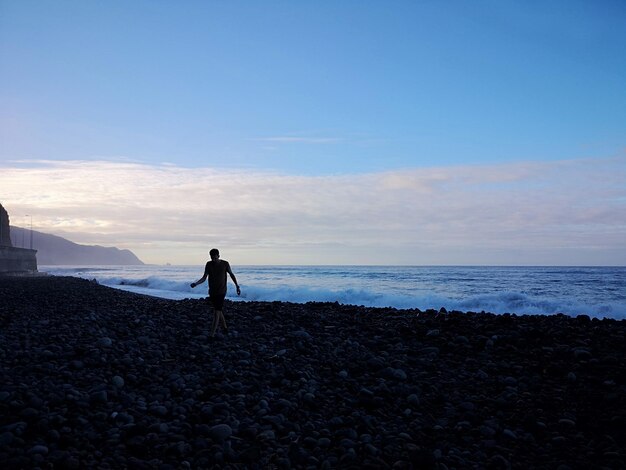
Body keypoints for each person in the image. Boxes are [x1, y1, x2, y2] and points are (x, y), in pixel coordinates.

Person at [190, 248, 241, 337]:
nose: (213, 260)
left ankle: (212, 334)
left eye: (215, 258)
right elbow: (204, 277)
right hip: (212, 291)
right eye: (212, 258)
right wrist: (196, 283)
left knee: (216, 311)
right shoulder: (209, 264)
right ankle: (225, 328)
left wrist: (237, 286)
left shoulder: (225, 263)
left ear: (218, 256)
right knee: (219, 309)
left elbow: (231, 274)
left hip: (222, 291)